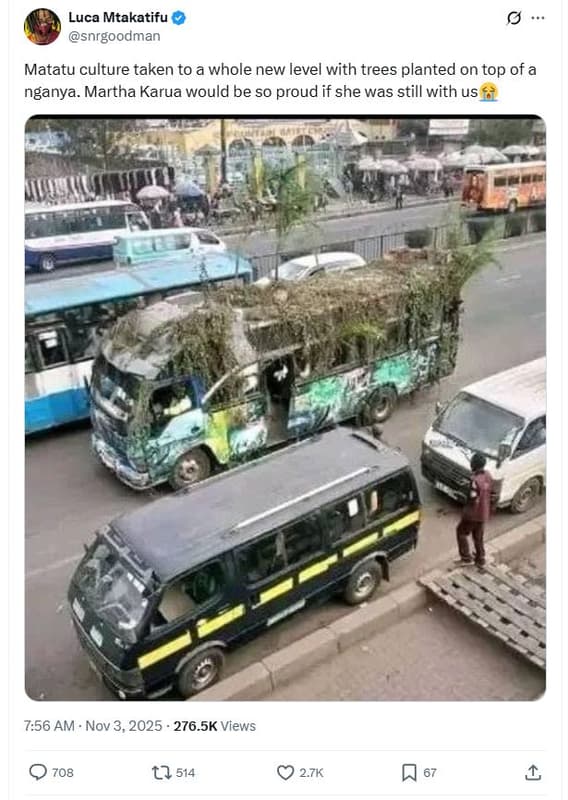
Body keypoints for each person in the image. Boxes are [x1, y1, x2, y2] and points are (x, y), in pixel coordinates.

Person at [455, 453, 493, 570]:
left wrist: (462, 494)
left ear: (474, 464)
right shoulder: (488, 475)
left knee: (461, 532)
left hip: (472, 514)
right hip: (484, 512)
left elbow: (472, 497)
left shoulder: (474, 481)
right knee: (478, 536)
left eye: (472, 462)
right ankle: (480, 558)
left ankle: (466, 558)